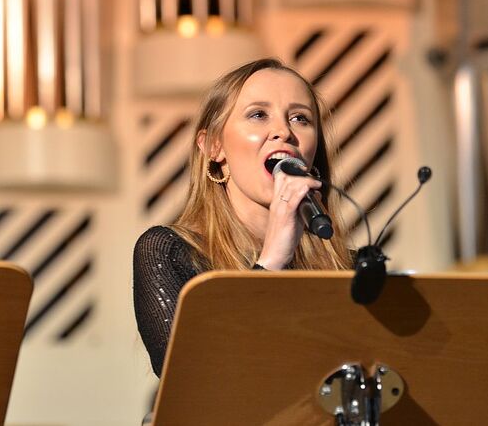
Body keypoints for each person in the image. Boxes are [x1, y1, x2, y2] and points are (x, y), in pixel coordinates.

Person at [132, 58, 352, 377]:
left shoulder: (348, 270)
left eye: (300, 118)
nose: (283, 131)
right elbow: (195, 380)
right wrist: (274, 259)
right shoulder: (168, 253)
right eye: (259, 115)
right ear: (213, 146)